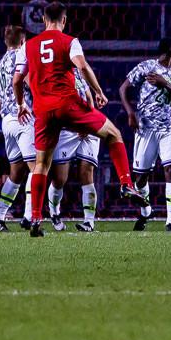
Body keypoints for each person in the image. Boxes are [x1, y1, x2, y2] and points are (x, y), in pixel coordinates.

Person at [13, 1, 147, 237]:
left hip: (43, 111)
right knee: (113, 133)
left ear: (43, 20)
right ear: (64, 21)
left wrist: (21, 104)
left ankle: (35, 219)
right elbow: (82, 67)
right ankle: (126, 183)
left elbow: (16, 80)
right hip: (69, 105)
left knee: (42, 166)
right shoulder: (69, 41)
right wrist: (98, 91)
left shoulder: (28, 46)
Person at [118, 38, 171, 232]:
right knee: (140, 178)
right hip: (146, 128)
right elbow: (123, 88)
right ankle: (146, 211)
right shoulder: (147, 66)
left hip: (170, 129)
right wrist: (130, 113)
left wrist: (165, 83)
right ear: (170, 52)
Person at [0, 23, 36, 233]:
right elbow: (27, 82)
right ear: (23, 40)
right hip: (23, 117)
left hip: (7, 120)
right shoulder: (22, 57)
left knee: (16, 172)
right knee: (37, 168)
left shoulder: (1, 62)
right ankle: (29, 216)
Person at [46, 71, 101, 232]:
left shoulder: (77, 72)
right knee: (59, 179)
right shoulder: (53, 77)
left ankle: (89, 222)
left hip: (85, 127)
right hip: (65, 130)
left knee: (87, 172)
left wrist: (88, 121)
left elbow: (88, 95)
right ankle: (54, 212)